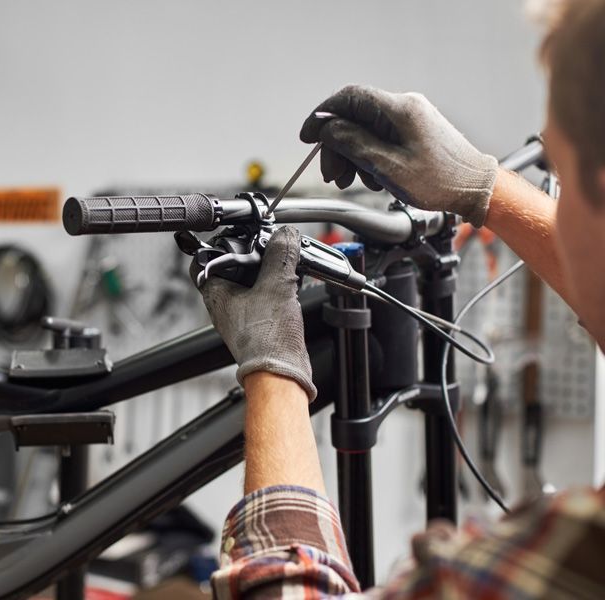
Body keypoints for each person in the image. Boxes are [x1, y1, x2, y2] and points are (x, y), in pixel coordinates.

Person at [199, 0, 605, 597]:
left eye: (562, 183)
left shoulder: (575, 553)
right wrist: (483, 186)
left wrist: (273, 373)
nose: (555, 206)